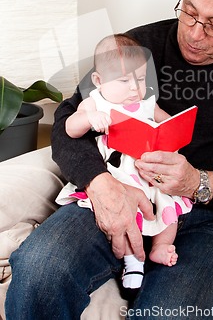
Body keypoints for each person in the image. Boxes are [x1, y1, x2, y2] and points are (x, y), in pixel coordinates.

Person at [6, 0, 213, 320]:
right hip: (119, 193)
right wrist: (100, 185)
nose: (194, 33)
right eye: (189, 12)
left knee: (170, 313)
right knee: (39, 271)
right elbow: (70, 119)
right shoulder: (139, 46)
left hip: (209, 219)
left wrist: (198, 182)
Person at [55, 33, 193, 297]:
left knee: (170, 209)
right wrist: (89, 119)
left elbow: (166, 122)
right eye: (124, 80)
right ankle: (133, 262)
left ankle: (161, 246)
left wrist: (170, 129)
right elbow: (69, 129)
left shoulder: (145, 103)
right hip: (117, 177)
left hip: (149, 176)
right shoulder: (95, 102)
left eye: (140, 79)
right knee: (126, 216)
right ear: (99, 81)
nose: (134, 88)